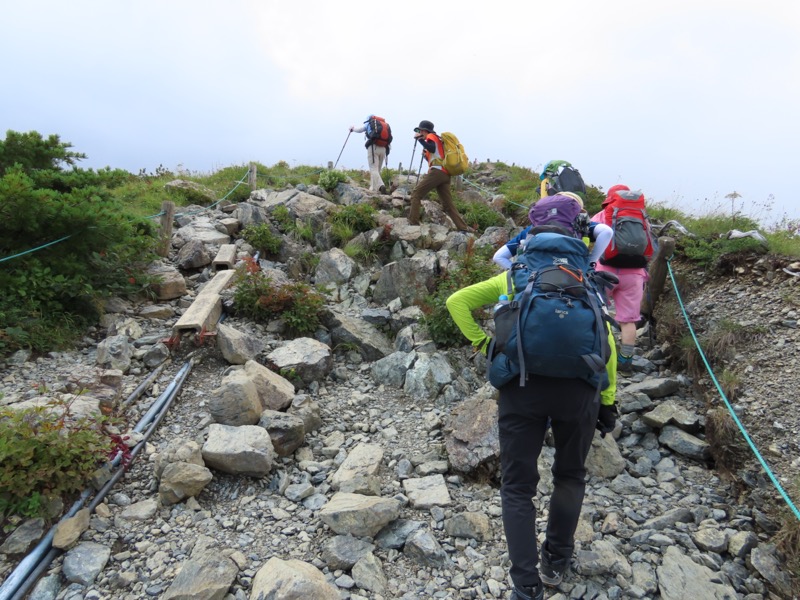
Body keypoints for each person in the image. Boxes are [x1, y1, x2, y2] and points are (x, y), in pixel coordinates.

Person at [446, 195, 618, 600]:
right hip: (579, 390)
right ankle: (556, 562)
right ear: (578, 230)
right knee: (570, 476)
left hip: (522, 387)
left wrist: (484, 347)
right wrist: (607, 400)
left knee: (518, 486)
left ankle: (525, 583)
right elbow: (606, 341)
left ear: (532, 230)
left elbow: (457, 302)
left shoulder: (516, 274)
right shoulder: (590, 275)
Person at [591, 184, 649, 376]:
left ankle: (596, 355)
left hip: (604, 271)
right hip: (634, 274)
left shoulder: (602, 216)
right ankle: (625, 362)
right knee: (629, 320)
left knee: (596, 313)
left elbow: (586, 237)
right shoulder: (641, 217)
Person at [492, 192, 613, 270]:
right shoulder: (582, 225)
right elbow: (607, 232)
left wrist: (519, 272)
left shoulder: (532, 229)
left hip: (535, 280)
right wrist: (591, 262)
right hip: (572, 275)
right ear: (578, 212)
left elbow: (499, 257)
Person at [408, 120, 473, 231]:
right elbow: (435, 154)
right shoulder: (438, 139)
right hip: (445, 175)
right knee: (448, 204)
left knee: (416, 194)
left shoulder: (431, 136)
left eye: (420, 131)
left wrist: (419, 140)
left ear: (424, 130)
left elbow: (432, 148)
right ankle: (463, 227)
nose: (419, 133)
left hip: (437, 173)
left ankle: (413, 223)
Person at [350, 115, 390, 194]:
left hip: (373, 147)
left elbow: (360, 129)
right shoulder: (385, 125)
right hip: (383, 148)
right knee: (377, 170)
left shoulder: (370, 123)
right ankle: (373, 188)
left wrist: (352, 129)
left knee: (373, 169)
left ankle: (381, 185)